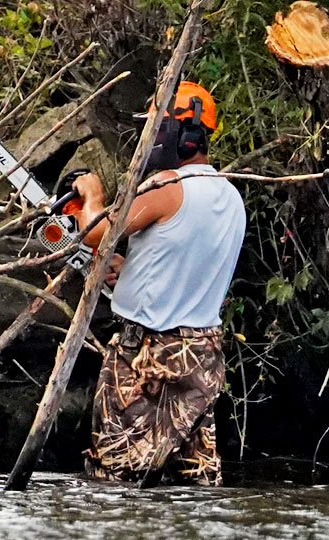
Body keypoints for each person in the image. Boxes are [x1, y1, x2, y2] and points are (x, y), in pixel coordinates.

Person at [71, 81, 246, 486]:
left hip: (149, 352)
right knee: (195, 480)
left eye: (156, 127)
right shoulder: (230, 196)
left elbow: (98, 232)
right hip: (202, 354)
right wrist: (130, 270)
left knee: (113, 476)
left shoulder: (166, 186)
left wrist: (92, 197)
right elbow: (181, 259)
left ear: (182, 134)